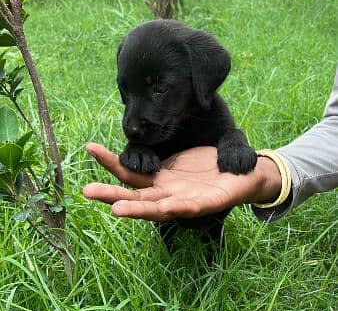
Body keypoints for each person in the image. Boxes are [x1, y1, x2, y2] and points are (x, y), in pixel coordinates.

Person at [83, 68, 338, 223]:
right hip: (167, 208)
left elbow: (226, 133)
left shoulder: (212, 112)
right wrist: (137, 150)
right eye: (127, 92)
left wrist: (234, 140)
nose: (132, 124)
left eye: (159, 89)